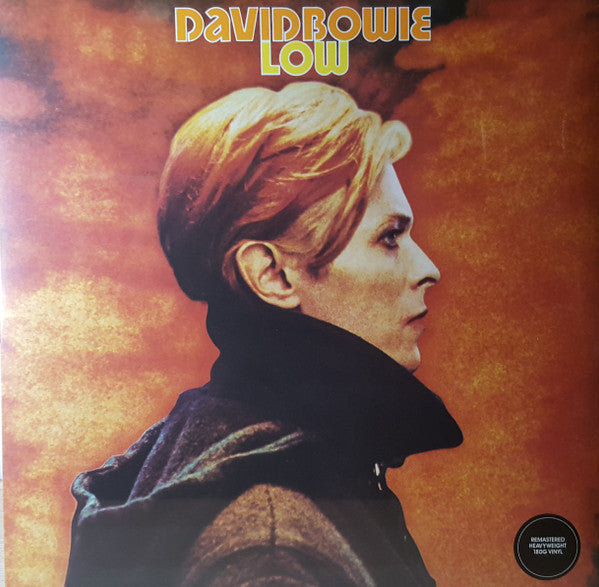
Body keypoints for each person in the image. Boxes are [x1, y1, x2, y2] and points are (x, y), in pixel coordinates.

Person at [66, 82, 462, 586]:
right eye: (389, 237)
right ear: (272, 275)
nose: (428, 269)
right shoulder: (271, 554)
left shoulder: (233, 448)